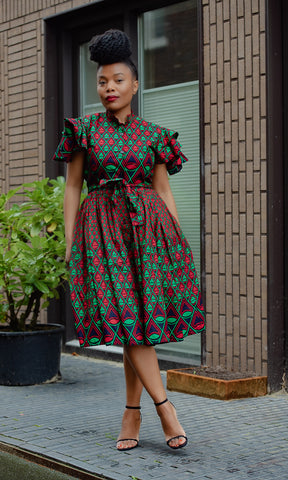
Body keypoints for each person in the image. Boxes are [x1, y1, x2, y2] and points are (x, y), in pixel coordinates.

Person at [53, 29, 205, 451]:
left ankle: (131, 414)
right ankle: (165, 408)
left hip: (150, 232)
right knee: (128, 321)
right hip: (101, 230)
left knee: (135, 326)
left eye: (118, 80)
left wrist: (175, 241)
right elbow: (72, 187)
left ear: (135, 85)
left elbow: (162, 188)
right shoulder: (83, 131)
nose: (109, 88)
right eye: (102, 82)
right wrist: (71, 242)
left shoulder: (156, 135)